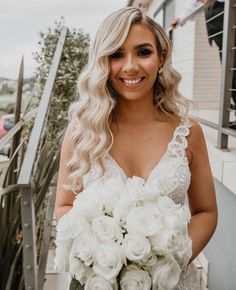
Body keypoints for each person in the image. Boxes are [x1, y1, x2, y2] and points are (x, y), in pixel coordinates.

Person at [55, 7, 217, 289]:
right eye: (117, 54)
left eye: (143, 52)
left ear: (161, 57)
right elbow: (64, 206)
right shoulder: (82, 132)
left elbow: (206, 211)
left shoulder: (189, 133)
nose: (130, 66)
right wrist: (100, 258)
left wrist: (168, 262)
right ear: (103, 61)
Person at [171, 0, 236, 129]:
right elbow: (193, 5)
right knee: (230, 76)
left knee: (233, 75)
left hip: (232, 30)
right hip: (221, 37)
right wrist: (180, 18)